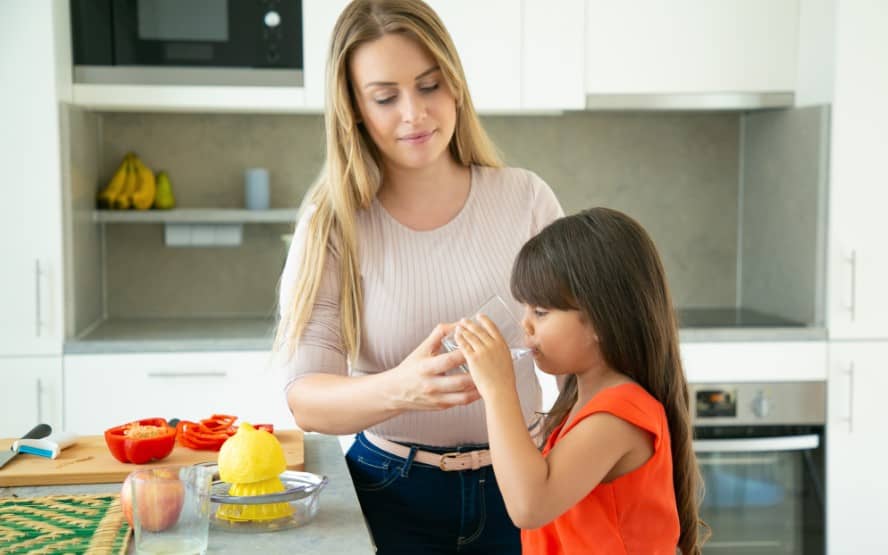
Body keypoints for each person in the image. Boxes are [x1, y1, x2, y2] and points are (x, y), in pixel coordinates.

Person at [274, 0, 564, 552]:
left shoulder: (526, 199)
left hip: (524, 487)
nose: (414, 113)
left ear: (455, 85)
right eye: (385, 97)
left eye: (429, 86)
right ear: (354, 108)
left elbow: (582, 354)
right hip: (388, 492)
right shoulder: (332, 223)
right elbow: (305, 399)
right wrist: (403, 388)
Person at [454, 207, 709, 554]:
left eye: (540, 312)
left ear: (601, 322)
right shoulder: (585, 401)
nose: (524, 325)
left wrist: (498, 389)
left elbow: (530, 506)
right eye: (525, 308)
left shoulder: (618, 415)